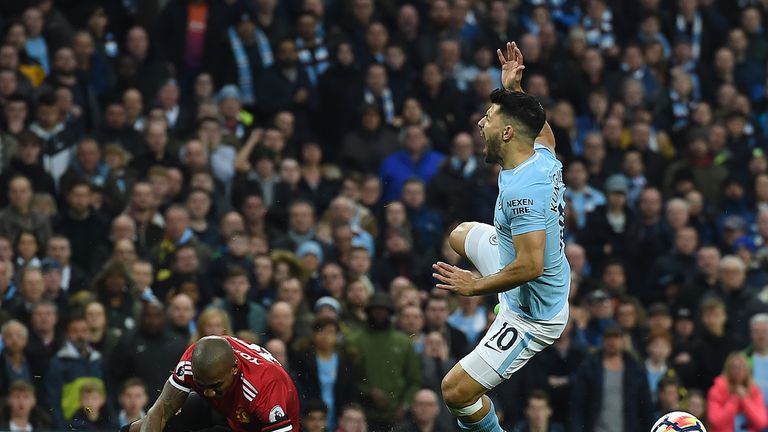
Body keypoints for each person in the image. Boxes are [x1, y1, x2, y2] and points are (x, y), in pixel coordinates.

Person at [432, 42, 569, 432]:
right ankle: (499, 296)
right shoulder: (539, 156)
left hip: (532, 313)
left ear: (507, 132)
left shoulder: (522, 192)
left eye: (489, 117)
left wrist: (475, 287)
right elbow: (543, 132)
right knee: (459, 235)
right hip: (529, 271)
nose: (481, 123)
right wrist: (512, 89)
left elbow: (530, 265)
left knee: (455, 391)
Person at [123, 335, 299, 432]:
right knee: (165, 418)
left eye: (215, 385)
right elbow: (160, 411)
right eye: (202, 385)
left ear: (234, 368)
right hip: (228, 409)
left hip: (258, 426)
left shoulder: (265, 387)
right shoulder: (193, 359)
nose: (208, 393)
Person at [707, 352, 768, 432]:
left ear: (747, 370)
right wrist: (734, 400)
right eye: (734, 367)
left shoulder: (754, 391)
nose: (738, 371)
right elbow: (715, 421)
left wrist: (745, 399)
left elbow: (761, 422)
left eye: (741, 367)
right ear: (728, 370)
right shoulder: (717, 390)